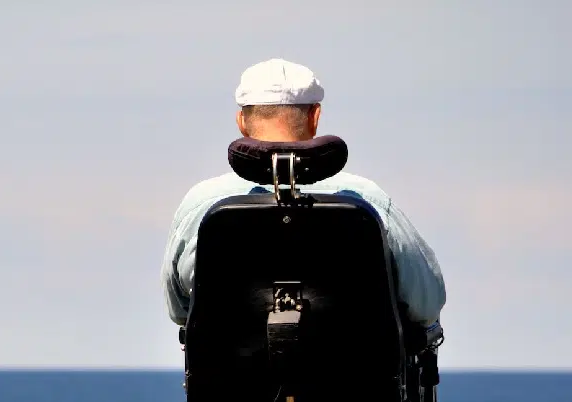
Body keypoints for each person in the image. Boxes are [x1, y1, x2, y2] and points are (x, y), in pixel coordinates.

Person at [160, 58, 447, 330]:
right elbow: (426, 303)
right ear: (315, 116)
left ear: (241, 121)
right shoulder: (366, 200)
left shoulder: (200, 204)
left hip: (229, 380)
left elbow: (179, 310)